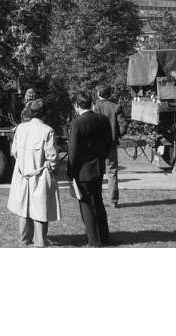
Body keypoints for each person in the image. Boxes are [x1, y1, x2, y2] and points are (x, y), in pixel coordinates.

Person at [7, 98, 61, 247]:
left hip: (22, 173)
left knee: (23, 209)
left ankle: (24, 240)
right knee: (40, 209)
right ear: (45, 114)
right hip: (40, 174)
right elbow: (53, 157)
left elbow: (14, 152)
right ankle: (40, 242)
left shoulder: (20, 128)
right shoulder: (47, 131)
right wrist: (52, 169)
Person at [68, 91, 113, 247]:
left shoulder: (76, 124)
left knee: (86, 204)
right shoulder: (103, 120)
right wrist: (101, 158)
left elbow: (72, 152)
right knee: (98, 202)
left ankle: (93, 240)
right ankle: (104, 237)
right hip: (98, 167)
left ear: (76, 106)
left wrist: (70, 171)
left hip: (82, 170)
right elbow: (109, 144)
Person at [93, 85, 127, 208]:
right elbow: (123, 124)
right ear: (109, 94)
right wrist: (117, 135)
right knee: (112, 172)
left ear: (98, 94)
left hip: (98, 145)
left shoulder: (96, 107)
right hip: (111, 144)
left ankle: (97, 200)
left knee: (97, 172)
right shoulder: (115, 106)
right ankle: (113, 201)